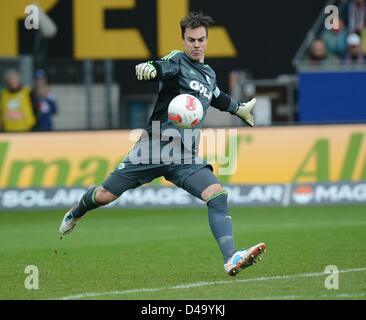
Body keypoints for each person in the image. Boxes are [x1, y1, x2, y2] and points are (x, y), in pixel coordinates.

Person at [59, 12, 266, 276]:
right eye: (190, 39)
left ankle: (230, 257)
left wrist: (239, 109)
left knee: (217, 194)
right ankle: (76, 212)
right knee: (105, 195)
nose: (196, 44)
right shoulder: (177, 60)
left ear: (206, 40)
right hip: (155, 146)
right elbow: (161, 67)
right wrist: (151, 68)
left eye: (201, 39)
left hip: (184, 156)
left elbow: (217, 98)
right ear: (183, 40)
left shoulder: (209, 75)